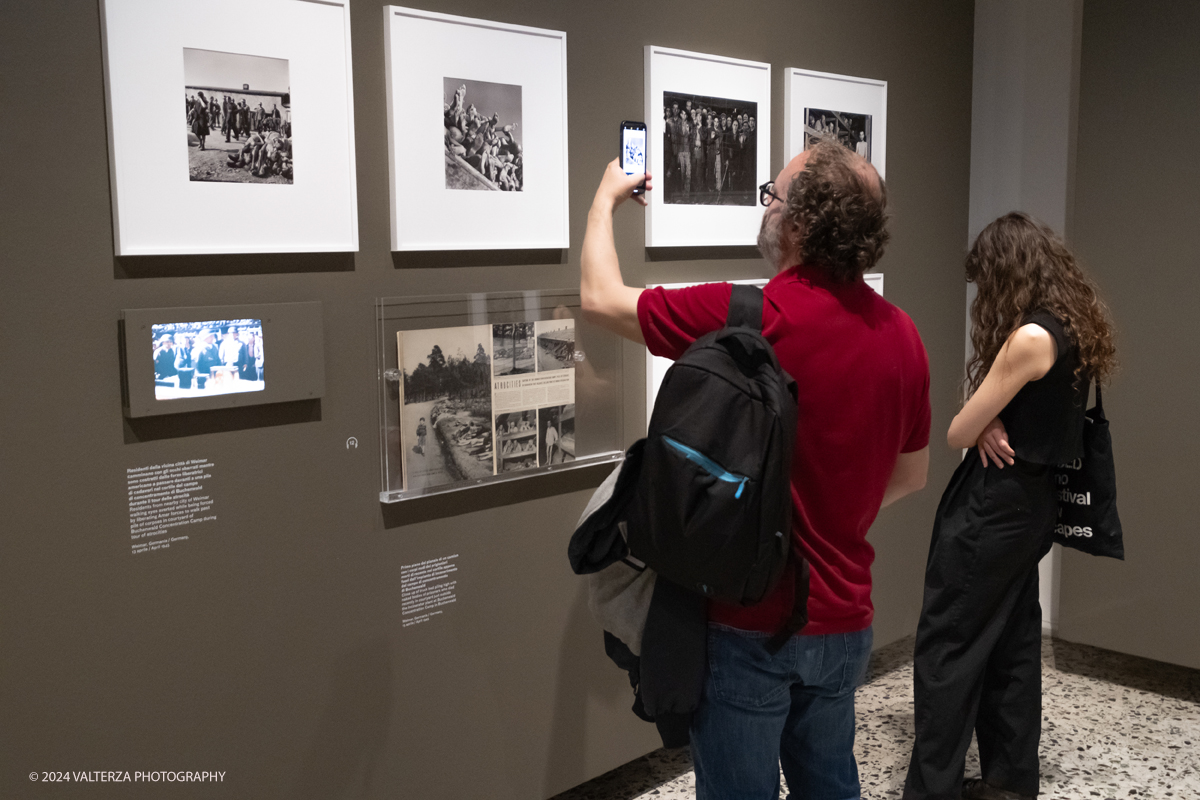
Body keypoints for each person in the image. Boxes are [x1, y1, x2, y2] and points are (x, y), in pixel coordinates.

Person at [580, 139, 932, 800]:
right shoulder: (902, 335)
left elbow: (599, 299)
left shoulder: (751, 315)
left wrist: (605, 199)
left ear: (799, 221)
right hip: (847, 624)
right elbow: (912, 475)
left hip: (748, 629)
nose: (766, 206)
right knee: (831, 788)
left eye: (772, 195)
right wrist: (826, 510)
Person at [902, 213, 1116, 800]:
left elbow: (955, 430)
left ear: (1006, 272)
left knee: (947, 646)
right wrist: (990, 417)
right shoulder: (1073, 325)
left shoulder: (1028, 337)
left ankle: (931, 789)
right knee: (1014, 640)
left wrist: (982, 418)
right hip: (1033, 503)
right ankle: (1009, 779)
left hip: (993, 505)